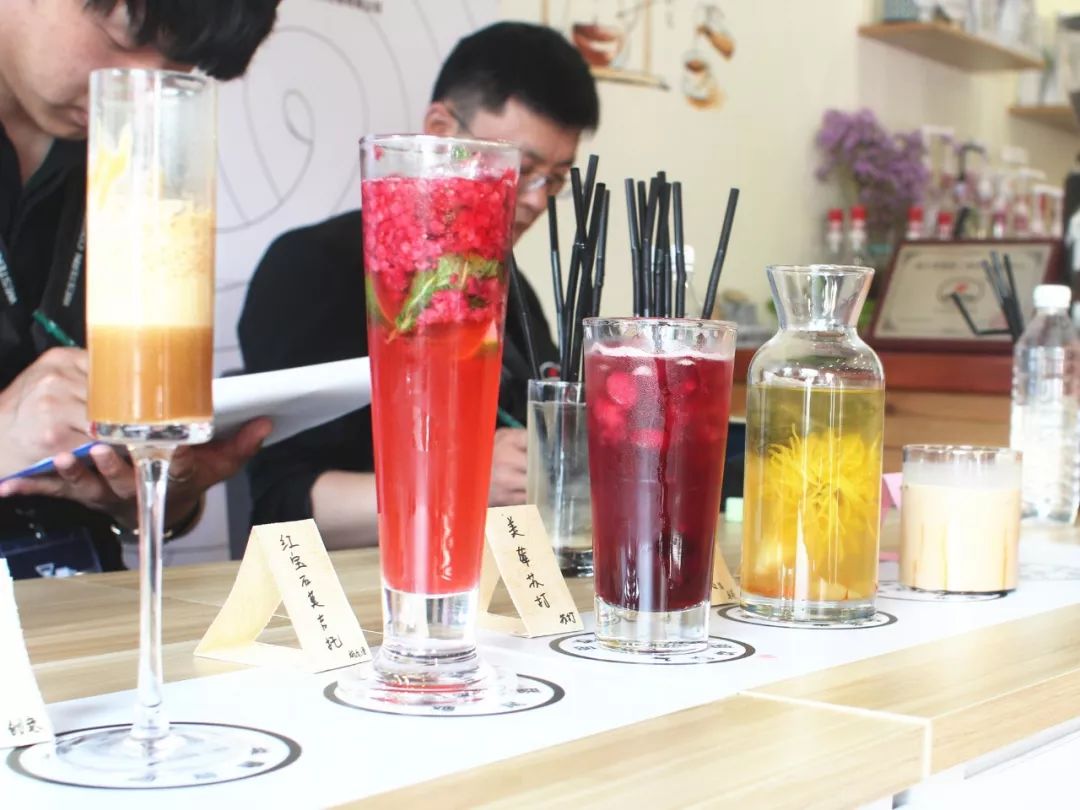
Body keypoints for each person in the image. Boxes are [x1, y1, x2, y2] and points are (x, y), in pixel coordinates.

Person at [239, 21, 600, 549]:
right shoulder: (314, 268)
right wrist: (462, 481)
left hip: (495, 574)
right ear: (440, 128)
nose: (535, 199)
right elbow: (281, 503)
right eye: (521, 168)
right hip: (366, 582)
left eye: (557, 179)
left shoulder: (507, 283)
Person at [0, 0, 280, 575]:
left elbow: (136, 510)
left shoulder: (134, 155)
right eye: (127, 36)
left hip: (83, 598)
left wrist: (157, 497)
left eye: (181, 64)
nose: (145, 87)